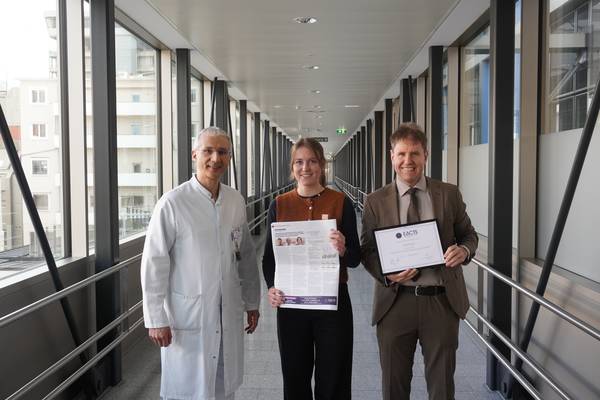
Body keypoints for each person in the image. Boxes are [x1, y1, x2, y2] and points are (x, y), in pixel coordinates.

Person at [141, 127, 261, 400]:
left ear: (229, 158)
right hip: (189, 314)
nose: (215, 158)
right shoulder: (173, 203)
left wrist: (252, 301)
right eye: (208, 151)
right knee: (188, 389)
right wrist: (156, 319)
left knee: (223, 386)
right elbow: (154, 264)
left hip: (227, 307)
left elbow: (245, 255)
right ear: (195, 154)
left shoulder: (235, 200)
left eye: (222, 152)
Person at [361, 123, 478, 400]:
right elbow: (367, 250)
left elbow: (469, 235)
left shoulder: (448, 194)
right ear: (392, 156)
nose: (408, 161)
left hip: (440, 301)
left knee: (442, 387)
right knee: (394, 386)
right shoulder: (376, 201)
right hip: (394, 302)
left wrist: (464, 251)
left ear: (426, 154)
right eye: (401, 154)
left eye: (414, 153)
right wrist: (387, 275)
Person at [262, 138, 361, 400]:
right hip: (292, 305)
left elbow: (355, 259)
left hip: (333, 305)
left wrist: (343, 248)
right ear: (292, 167)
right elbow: (269, 259)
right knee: (295, 376)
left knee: (334, 377)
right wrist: (271, 288)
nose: (305, 168)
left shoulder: (340, 202)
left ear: (322, 165)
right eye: (299, 162)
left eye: (312, 161)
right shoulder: (279, 205)